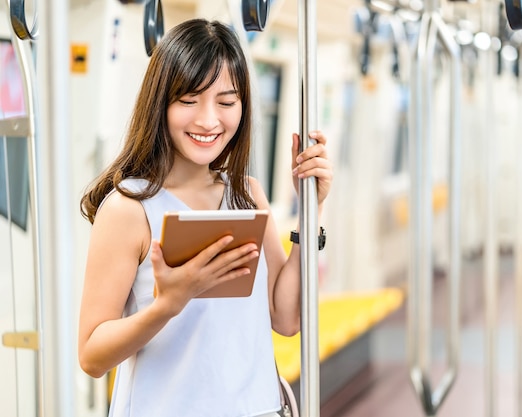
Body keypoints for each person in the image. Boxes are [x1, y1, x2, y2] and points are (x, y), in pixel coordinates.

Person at [78, 18, 332, 417]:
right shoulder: (129, 209)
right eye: (189, 100)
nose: (208, 120)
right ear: (160, 102)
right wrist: (169, 304)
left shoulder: (246, 195)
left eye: (226, 102)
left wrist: (310, 208)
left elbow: (286, 318)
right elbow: (92, 356)